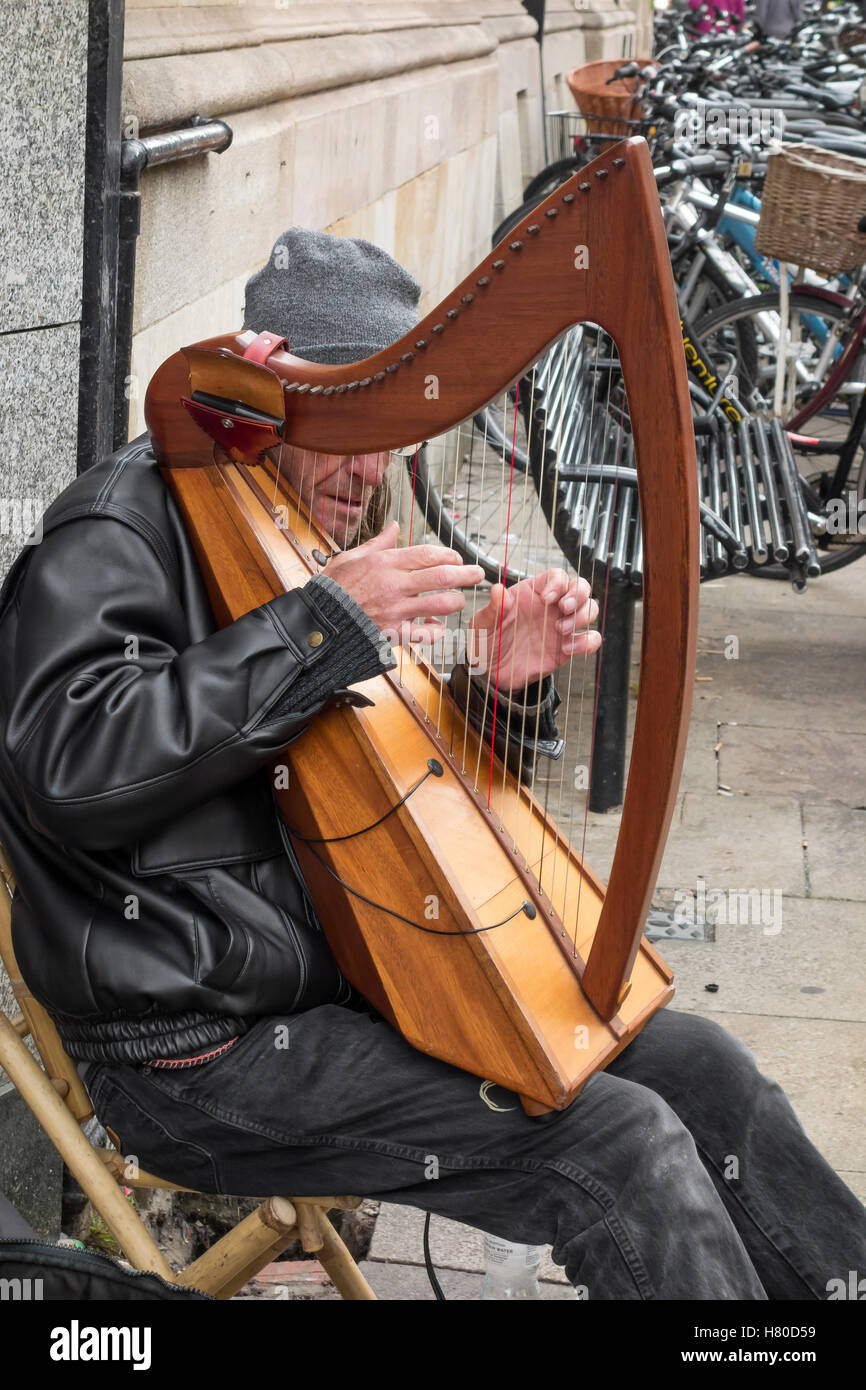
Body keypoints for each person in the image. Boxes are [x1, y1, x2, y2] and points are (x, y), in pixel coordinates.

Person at [1, 228, 864, 1300]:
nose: (368, 473)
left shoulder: (308, 526)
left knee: (698, 1067)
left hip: (354, 985)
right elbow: (70, 768)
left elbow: (373, 772)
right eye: (344, 436)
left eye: (382, 438)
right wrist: (319, 626)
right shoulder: (114, 529)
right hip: (195, 1051)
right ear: (272, 404)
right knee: (616, 1143)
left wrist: (495, 690)